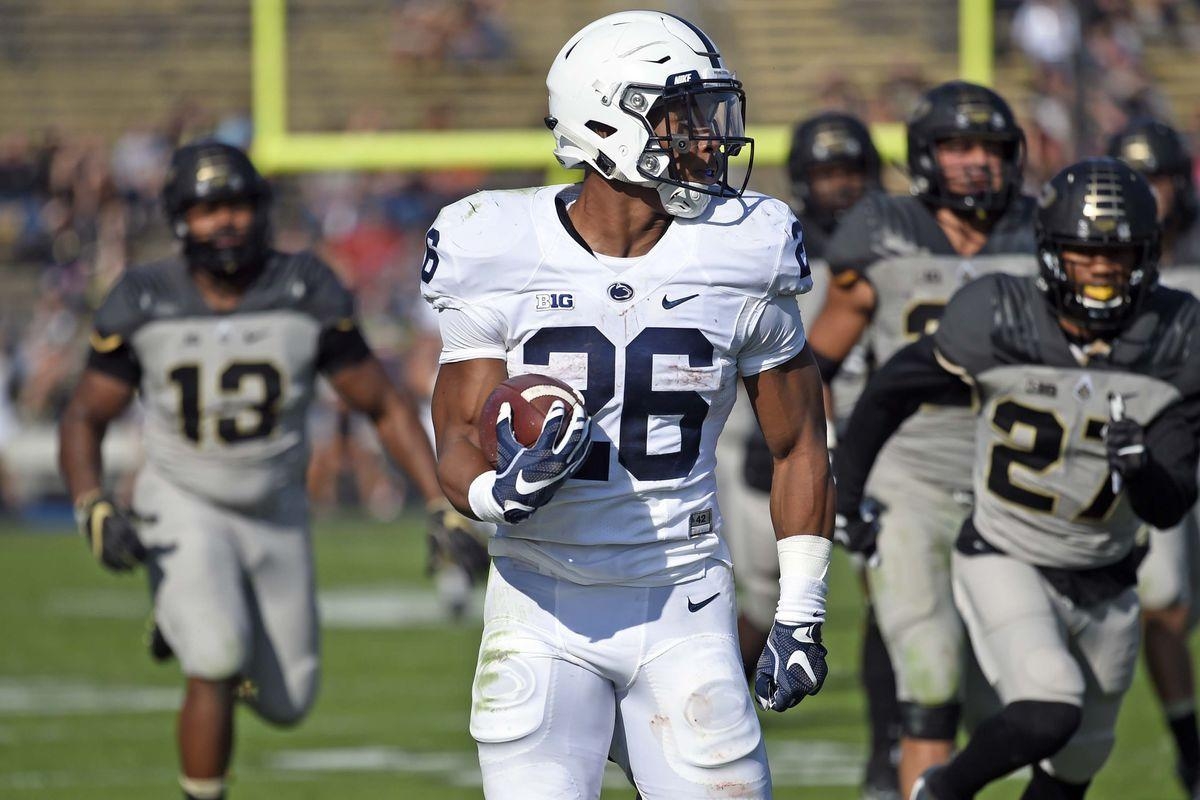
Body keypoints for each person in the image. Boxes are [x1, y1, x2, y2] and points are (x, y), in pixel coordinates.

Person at [422, 11, 834, 799]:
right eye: (682, 117)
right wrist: (492, 493)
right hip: (540, 602)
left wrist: (801, 608)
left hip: (685, 596)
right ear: (603, 117)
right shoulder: (493, 243)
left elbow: (800, 444)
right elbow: (454, 432)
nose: (711, 139)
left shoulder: (744, 246)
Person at [57, 141, 477, 800]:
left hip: (277, 507)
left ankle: (184, 619)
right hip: (183, 496)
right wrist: (92, 502)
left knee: (289, 701)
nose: (224, 222)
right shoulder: (144, 296)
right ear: (178, 218)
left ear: (260, 210)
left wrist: (438, 501)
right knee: (216, 656)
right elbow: (85, 415)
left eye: (237, 206)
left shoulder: (304, 287)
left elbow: (382, 403)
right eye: (206, 209)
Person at [836, 157, 1200, 799]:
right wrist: (848, 489)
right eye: (1085, 254)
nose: (1102, 270)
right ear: (1052, 253)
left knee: (1073, 772)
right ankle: (940, 790)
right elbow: (891, 389)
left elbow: (1169, 505)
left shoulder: (1178, 335)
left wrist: (1139, 468)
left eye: (1117, 255)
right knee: (1048, 708)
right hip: (1008, 552)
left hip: (1109, 573)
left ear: (1147, 255)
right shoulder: (999, 315)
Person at [805, 80, 1038, 796]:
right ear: (925, 155)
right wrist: (828, 470)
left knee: (1030, 701)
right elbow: (816, 368)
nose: (975, 162)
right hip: (909, 477)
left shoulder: (1041, 233)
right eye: (957, 146)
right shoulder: (882, 232)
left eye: (990, 147)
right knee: (929, 672)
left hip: (1018, 488)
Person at [716, 110, 902, 800]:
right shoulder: (768, 244)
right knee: (764, 600)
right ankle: (709, 719)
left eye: (851, 170)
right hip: (776, 439)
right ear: (801, 178)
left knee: (894, 590)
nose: (842, 187)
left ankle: (889, 751)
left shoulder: (897, 246)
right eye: (826, 173)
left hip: (873, 439)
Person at [1109, 117, 1200, 798]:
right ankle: (1189, 747)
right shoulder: (1099, 258)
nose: (1155, 195)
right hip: (1157, 437)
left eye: (1161, 179)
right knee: (1164, 599)